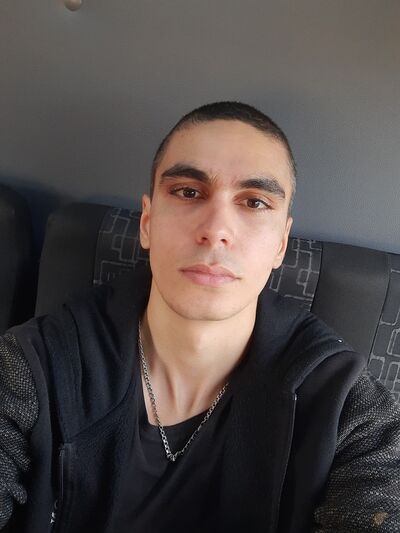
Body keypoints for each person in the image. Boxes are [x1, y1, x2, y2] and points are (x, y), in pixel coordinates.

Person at [1, 101, 399, 533]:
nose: (216, 229)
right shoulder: (32, 365)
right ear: (147, 222)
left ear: (281, 245)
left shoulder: (348, 407)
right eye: (188, 192)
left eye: (254, 202)